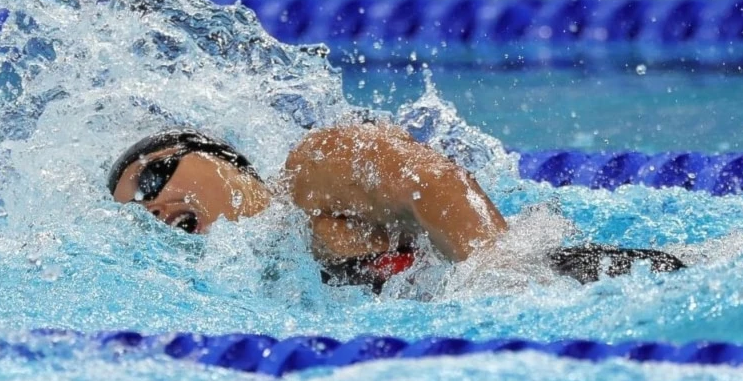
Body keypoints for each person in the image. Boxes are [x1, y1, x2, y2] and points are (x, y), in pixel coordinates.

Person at [108, 123, 684, 291]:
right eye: (137, 209)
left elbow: (430, 180)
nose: (153, 205)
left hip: (581, 282)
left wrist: (496, 264)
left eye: (155, 175)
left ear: (218, 157)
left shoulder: (310, 172)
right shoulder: (267, 276)